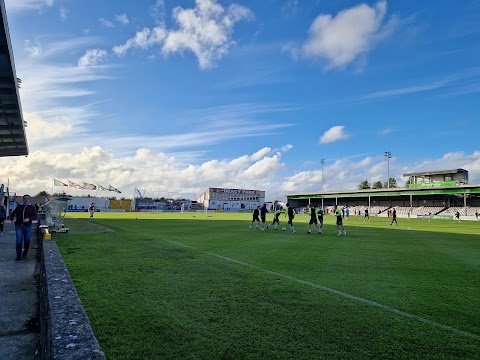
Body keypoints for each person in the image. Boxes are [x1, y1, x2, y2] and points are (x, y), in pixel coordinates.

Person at [10, 195, 38, 261]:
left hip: (28, 226)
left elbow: (35, 216)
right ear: (23, 199)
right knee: (19, 241)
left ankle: (25, 251)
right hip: (19, 226)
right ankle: (18, 256)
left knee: (27, 240)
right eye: (24, 199)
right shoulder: (19, 207)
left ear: (29, 199)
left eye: (27, 199)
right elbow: (13, 214)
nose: (26, 200)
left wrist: (29, 219)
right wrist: (12, 219)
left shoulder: (32, 207)